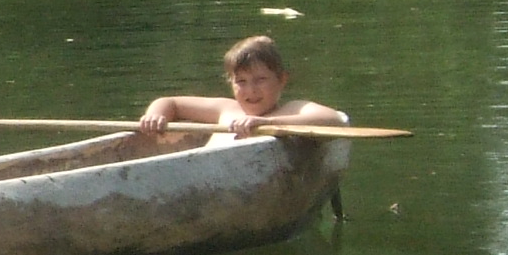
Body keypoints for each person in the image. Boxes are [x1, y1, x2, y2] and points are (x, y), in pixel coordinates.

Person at [133, 32, 348, 146]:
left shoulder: (292, 110)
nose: (250, 90)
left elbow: (335, 121)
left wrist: (268, 123)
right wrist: (155, 116)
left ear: (282, 80)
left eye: (260, 80)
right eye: (241, 82)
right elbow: (170, 102)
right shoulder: (227, 109)